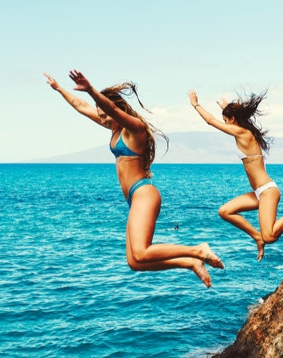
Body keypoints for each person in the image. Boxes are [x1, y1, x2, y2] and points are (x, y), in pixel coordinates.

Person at [45, 70, 223, 287]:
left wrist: (91, 89)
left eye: (105, 114)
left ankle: (198, 250)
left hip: (144, 193)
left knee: (142, 250)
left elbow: (110, 108)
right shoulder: (115, 128)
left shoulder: (135, 129)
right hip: (134, 198)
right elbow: (82, 107)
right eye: (100, 115)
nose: (102, 119)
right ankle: (189, 262)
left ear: (117, 110)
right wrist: (59, 89)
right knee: (135, 261)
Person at [189, 89, 283, 261]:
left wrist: (196, 105)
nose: (225, 124)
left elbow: (210, 121)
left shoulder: (243, 133)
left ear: (233, 119)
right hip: (259, 192)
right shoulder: (243, 131)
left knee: (270, 237)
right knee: (225, 211)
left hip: (267, 191)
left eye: (226, 120)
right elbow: (228, 118)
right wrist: (226, 107)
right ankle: (256, 237)